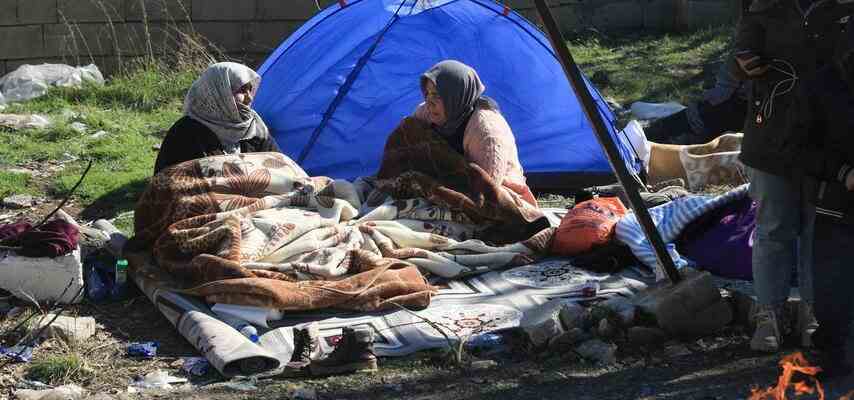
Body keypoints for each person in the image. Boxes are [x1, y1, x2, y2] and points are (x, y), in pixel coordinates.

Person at [730, 0, 854, 353]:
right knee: (773, 228)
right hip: (772, 136)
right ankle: (770, 313)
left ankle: (815, 315)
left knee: (819, 232)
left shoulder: (840, 11)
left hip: (828, 142)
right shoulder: (763, 9)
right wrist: (743, 64)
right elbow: (736, 64)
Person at [787, 19, 854, 378]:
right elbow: (798, 149)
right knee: (835, 288)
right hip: (839, 204)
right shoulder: (822, 86)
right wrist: (843, 173)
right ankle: (835, 358)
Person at [413, 60, 537, 207]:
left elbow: (486, 192)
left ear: (456, 96)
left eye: (437, 95)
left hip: (495, 193)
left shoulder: (487, 132)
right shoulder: (427, 111)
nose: (429, 102)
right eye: (427, 93)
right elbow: (405, 141)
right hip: (445, 182)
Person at [153, 62, 281, 174]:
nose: (249, 98)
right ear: (219, 92)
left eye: (250, 90)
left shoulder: (254, 127)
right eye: (242, 90)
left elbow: (279, 167)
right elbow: (172, 182)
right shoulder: (186, 132)